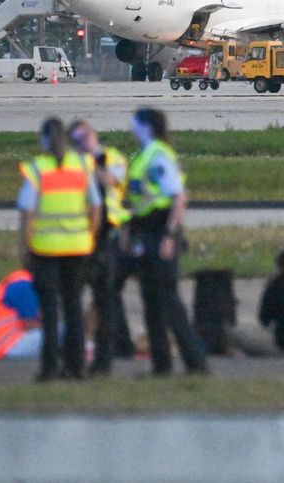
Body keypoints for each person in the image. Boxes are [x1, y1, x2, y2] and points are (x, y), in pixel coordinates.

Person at [125, 107, 209, 376]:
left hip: (159, 231)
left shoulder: (158, 155)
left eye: (135, 122)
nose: (131, 126)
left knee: (168, 300)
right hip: (144, 231)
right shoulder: (143, 154)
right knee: (150, 301)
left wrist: (169, 235)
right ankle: (161, 365)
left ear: (147, 126)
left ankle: (196, 362)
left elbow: (178, 197)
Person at [17, 117, 101, 381]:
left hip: (45, 250)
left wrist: (25, 246)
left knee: (50, 311)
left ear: (43, 139)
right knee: (74, 307)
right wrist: (88, 234)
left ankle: (50, 368)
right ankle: (77, 368)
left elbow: (27, 213)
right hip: (77, 248)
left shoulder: (38, 169)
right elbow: (96, 207)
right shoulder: (82, 165)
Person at [68, 119, 131, 375]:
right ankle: (118, 343)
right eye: (77, 140)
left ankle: (116, 346)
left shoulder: (112, 157)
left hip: (113, 231)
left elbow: (111, 180)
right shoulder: (75, 162)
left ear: (94, 135)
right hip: (85, 234)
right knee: (105, 293)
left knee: (109, 292)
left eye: (85, 137)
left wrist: (88, 164)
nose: (82, 143)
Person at [0, 270, 44, 360]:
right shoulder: (22, 285)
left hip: (0, 345)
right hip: (8, 345)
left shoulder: (22, 281)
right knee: (64, 331)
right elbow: (31, 325)